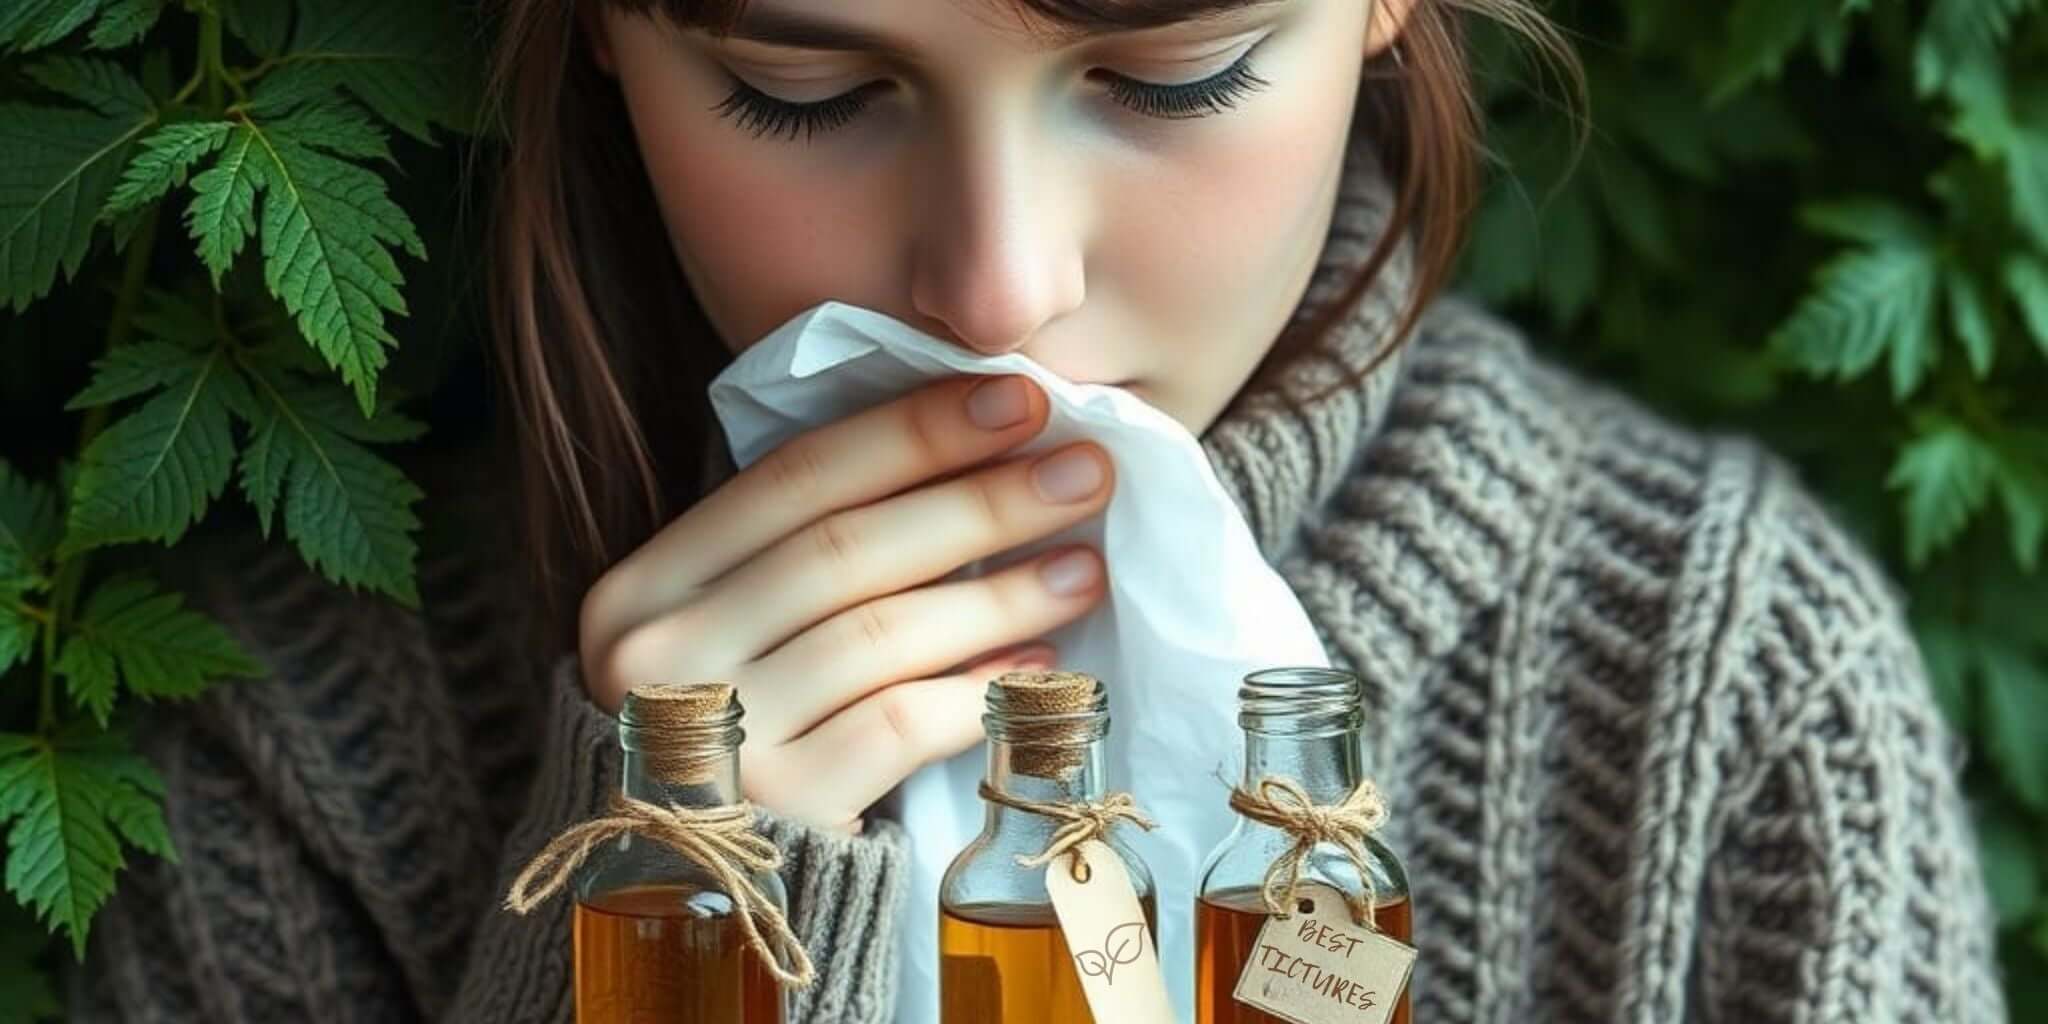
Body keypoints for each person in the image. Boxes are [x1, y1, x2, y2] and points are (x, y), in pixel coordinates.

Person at [78, 1, 2007, 1021]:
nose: (1000, 292)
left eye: (1173, 73)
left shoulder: (1731, 696)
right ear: (601, 25)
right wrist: (668, 962)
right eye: (802, 86)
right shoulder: (303, 762)